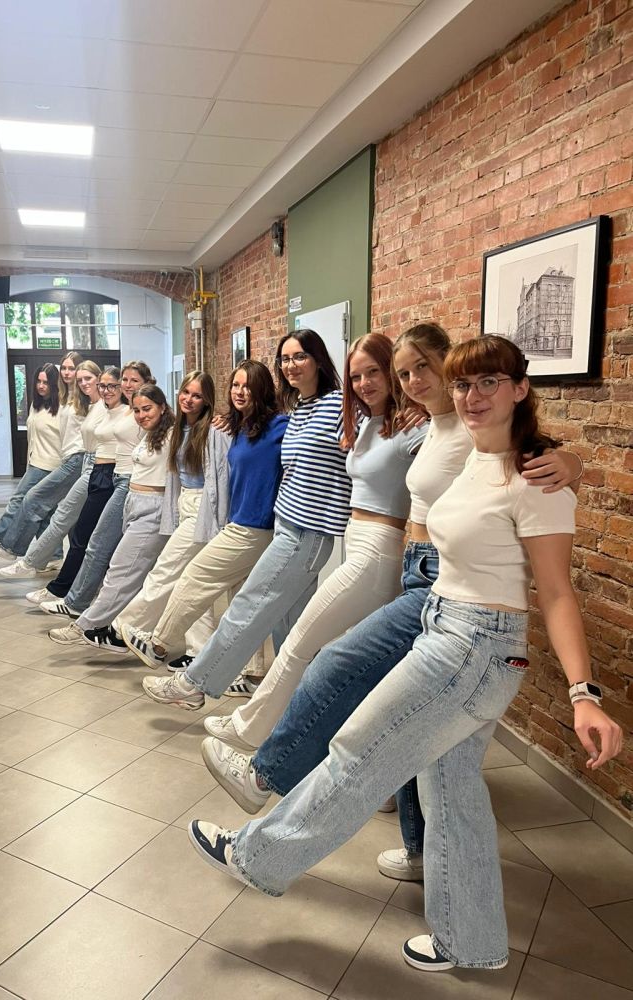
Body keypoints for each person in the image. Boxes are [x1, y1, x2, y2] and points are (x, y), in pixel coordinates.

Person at [187, 333, 622, 975]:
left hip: (472, 645)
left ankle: (257, 856)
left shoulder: (536, 478)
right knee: (450, 788)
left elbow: (557, 594)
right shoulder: (474, 450)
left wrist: (584, 695)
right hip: (447, 624)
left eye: (489, 383)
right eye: (464, 383)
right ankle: (469, 940)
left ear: (520, 388)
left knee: (358, 750)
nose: (472, 396)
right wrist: (572, 458)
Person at [199, 333, 427, 754]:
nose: (364, 383)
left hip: (378, 549)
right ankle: (354, 749)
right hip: (355, 540)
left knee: (302, 643)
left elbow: (457, 449)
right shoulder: (363, 420)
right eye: (356, 376)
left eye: (374, 372)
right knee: (349, 657)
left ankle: (252, 729)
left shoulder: (414, 426)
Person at [139, 329, 352, 710]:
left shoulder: (334, 406)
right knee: (291, 626)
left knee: (245, 607)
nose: (291, 365)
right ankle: (299, 702)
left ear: (319, 359)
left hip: (300, 531)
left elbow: (363, 439)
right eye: (285, 359)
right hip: (284, 523)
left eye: (300, 356)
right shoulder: (298, 411)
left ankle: (190, 678)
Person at [122, 359, 288, 665]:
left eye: (248, 386)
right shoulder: (235, 426)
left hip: (240, 520)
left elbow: (221, 480)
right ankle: (238, 665)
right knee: (239, 595)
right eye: (236, 385)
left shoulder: (256, 428)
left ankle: (142, 636)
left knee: (187, 576)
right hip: (228, 516)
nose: (240, 391)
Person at [86, 371, 230, 649]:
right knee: (191, 581)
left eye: (197, 395)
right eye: (186, 392)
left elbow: (222, 477)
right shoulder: (180, 429)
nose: (189, 399)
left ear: (207, 400)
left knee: (164, 571)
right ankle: (197, 650)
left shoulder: (214, 430)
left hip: (202, 507)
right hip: (183, 503)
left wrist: (219, 518)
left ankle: (122, 630)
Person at [47, 383, 176, 646]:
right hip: (134, 503)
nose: (142, 415)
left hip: (153, 509)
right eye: (137, 410)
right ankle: (118, 631)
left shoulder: (174, 434)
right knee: (128, 572)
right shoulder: (148, 434)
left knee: (120, 570)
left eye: (147, 409)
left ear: (163, 407)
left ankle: (84, 625)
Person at [28, 363, 147, 614]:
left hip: (123, 479)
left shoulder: (137, 411)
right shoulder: (115, 409)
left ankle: (70, 594)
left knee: (93, 540)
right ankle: (71, 593)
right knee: (87, 537)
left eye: (130, 381)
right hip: (104, 473)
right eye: (123, 381)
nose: (124, 386)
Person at [0, 358, 100, 567]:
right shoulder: (71, 398)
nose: (69, 373)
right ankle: (58, 560)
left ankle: (10, 548)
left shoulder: (94, 404)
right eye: (65, 368)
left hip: (79, 458)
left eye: (75, 370)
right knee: (66, 516)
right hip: (69, 457)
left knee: (32, 499)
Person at [0, 363, 61, 559]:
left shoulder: (62, 409)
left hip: (50, 465)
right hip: (35, 462)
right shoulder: (36, 405)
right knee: (46, 513)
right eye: (39, 381)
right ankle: (54, 556)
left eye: (46, 382)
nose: (41, 386)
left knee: (18, 501)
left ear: (55, 384)